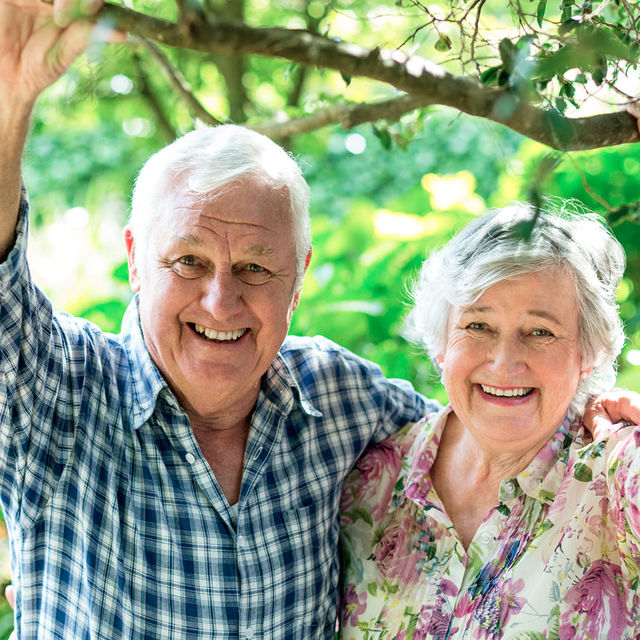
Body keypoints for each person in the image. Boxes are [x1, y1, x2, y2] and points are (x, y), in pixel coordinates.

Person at [0, 2, 638, 639]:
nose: (221, 302)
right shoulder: (64, 395)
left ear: (298, 277)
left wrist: (583, 397)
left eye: (255, 268)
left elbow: (489, 410)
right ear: (137, 260)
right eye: (189, 261)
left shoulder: (341, 401)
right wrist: (10, 101)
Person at [339, 204, 640, 638]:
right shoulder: (371, 479)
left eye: (540, 332)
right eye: (478, 326)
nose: (504, 363)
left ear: (587, 353)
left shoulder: (614, 476)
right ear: (442, 340)